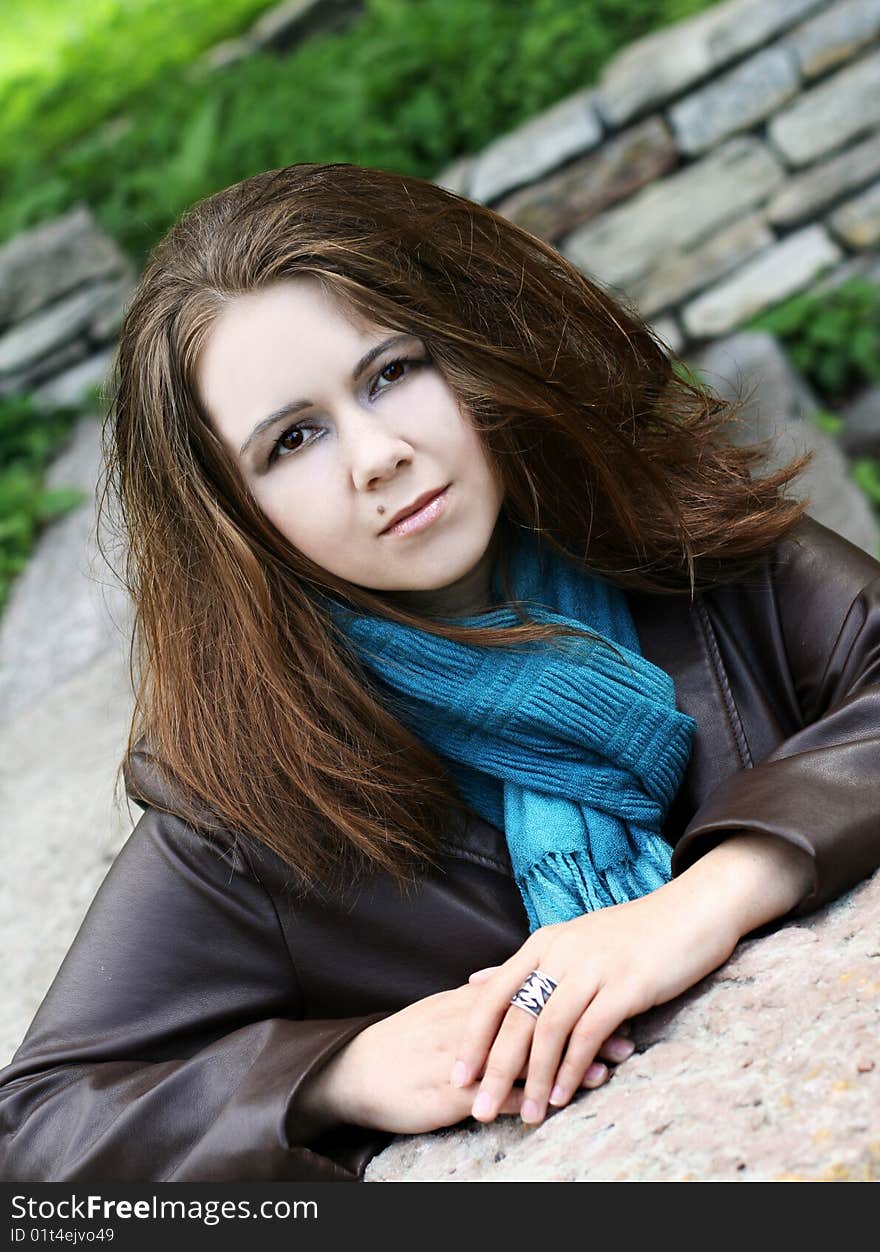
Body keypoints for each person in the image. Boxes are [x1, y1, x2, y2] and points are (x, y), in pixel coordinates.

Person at [1, 162, 879, 1183]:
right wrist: (342, 1070)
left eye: (391, 372)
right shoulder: (249, 806)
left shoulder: (671, 540)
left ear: (473, 348)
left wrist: (703, 900)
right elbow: (37, 1134)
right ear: (235, 520)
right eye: (293, 439)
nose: (375, 455)